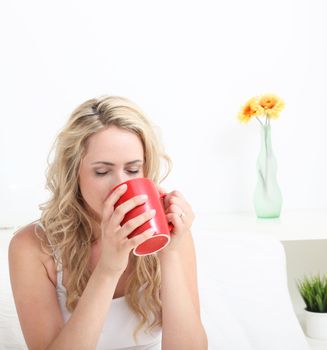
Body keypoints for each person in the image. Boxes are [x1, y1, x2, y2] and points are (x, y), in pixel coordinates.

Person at [8, 95, 208, 350]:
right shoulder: (32, 246)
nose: (120, 183)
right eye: (102, 171)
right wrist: (109, 269)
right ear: (74, 173)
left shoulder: (171, 233)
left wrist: (169, 253)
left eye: (133, 169)